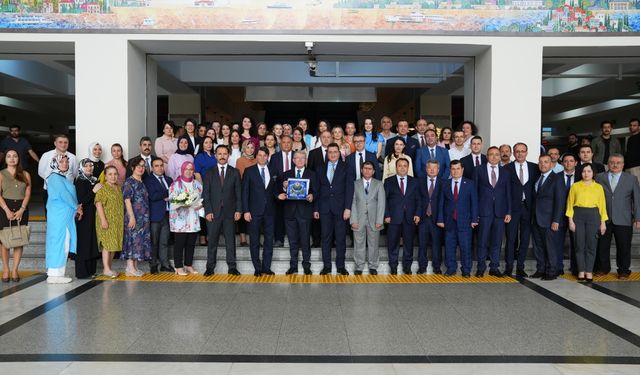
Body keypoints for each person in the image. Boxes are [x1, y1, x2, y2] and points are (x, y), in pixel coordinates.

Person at [595, 154, 640, 279]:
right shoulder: (599, 177)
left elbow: (637, 199)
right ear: (608, 164)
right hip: (604, 218)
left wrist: (638, 218)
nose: (615, 165)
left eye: (618, 162)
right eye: (612, 162)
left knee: (624, 246)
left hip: (624, 218)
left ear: (623, 164)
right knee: (602, 246)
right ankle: (603, 268)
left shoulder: (631, 179)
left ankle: (624, 270)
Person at [314, 143, 353, 275]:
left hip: (341, 209)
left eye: (335, 152)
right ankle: (327, 266)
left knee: (341, 238)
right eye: (330, 152)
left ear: (339, 153)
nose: (332, 154)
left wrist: (348, 208)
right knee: (325, 238)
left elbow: (349, 189)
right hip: (324, 209)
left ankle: (340, 266)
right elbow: (317, 190)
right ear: (327, 153)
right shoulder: (320, 168)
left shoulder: (346, 167)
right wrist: (316, 209)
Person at [203, 145, 242, 276]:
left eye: (225, 153)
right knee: (212, 241)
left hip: (230, 213)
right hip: (213, 213)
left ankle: (232, 267)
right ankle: (210, 267)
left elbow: (238, 193)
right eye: (219, 153)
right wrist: (207, 211)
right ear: (215, 155)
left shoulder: (235, 172)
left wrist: (239, 210)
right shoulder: (209, 172)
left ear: (228, 155)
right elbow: (206, 193)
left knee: (230, 241)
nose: (222, 156)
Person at [566, 163, 608, 283]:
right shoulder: (575, 186)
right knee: (579, 245)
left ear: (593, 173)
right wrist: (570, 221)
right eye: (584, 171)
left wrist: (603, 222)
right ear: (581, 173)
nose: (586, 174)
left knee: (591, 245)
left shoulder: (598, 187)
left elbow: (602, 206)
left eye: (589, 171)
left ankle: (589, 271)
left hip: (594, 216)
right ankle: (581, 270)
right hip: (578, 215)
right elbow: (569, 204)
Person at [437, 160, 478, 277]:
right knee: (449, 247)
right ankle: (451, 269)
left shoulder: (469, 184)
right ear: (450, 170)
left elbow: (474, 202)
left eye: (458, 169)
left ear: (462, 169)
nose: (455, 171)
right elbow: (441, 202)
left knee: (466, 247)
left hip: (465, 221)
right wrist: (440, 219)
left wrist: (474, 219)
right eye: (453, 169)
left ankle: (466, 270)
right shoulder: (445, 184)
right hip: (449, 221)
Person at [474, 147, 511, 277]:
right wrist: (475, 213)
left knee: (497, 241)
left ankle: (494, 267)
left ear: (500, 156)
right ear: (487, 156)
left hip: (500, 212)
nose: (494, 157)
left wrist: (509, 211)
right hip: (484, 211)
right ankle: (480, 267)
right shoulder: (479, 170)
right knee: (482, 241)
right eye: (491, 154)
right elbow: (475, 193)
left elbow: (508, 193)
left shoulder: (505, 172)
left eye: (497, 154)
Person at [504, 142, 539, 277]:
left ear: (527, 152)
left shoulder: (534, 168)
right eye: (517, 151)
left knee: (525, 239)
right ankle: (508, 267)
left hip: (528, 208)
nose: (520, 153)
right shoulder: (507, 168)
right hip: (512, 209)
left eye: (522, 151)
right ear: (513, 153)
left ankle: (520, 267)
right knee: (511, 239)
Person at [45, 154, 81, 284]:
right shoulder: (54, 177)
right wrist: (76, 207)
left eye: (67, 162)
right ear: (55, 163)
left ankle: (57, 273)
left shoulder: (61, 177)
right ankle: (55, 275)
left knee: (62, 243)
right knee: (60, 243)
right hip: (60, 217)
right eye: (62, 161)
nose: (65, 164)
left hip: (63, 217)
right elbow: (64, 195)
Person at [242, 147, 277, 276]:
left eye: (264, 155)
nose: (262, 157)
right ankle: (257, 267)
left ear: (268, 157)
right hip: (254, 211)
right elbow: (244, 192)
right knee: (255, 240)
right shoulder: (249, 171)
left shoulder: (273, 171)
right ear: (256, 157)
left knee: (269, 240)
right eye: (260, 155)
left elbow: (274, 190)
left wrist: (279, 194)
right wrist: (246, 211)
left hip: (270, 211)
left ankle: (266, 267)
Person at [531, 154, 565, 281]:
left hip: (550, 220)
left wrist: (556, 220)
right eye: (540, 162)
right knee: (538, 246)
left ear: (551, 164)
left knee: (550, 247)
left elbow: (560, 201)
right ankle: (541, 269)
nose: (543, 164)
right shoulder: (538, 178)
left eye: (546, 162)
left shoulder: (557, 179)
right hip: (536, 219)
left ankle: (552, 271)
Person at [384, 158, 421, 275]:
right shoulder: (389, 181)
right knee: (393, 243)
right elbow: (384, 200)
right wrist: (386, 215)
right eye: (400, 165)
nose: (402, 168)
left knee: (408, 243)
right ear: (396, 167)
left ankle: (407, 267)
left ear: (408, 167)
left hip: (410, 217)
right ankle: (393, 266)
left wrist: (417, 214)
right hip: (393, 217)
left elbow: (418, 200)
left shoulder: (415, 181)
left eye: (405, 165)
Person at [0, 150, 31, 283]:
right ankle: (6, 269)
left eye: (15, 156)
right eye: (9, 156)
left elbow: (28, 193)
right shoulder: (1, 174)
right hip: (4, 207)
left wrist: (22, 209)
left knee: (19, 240)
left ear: (18, 158)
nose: (12, 158)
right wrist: (6, 210)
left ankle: (15, 270)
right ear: (5, 159)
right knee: (4, 242)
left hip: (21, 208)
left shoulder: (25, 174)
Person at [351, 161, 385, 275]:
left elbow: (381, 203)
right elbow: (353, 203)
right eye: (365, 168)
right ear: (361, 170)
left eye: (370, 169)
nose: (367, 170)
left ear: (374, 171)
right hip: (358, 219)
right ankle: (359, 266)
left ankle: (373, 266)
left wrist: (380, 220)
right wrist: (353, 220)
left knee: (373, 243)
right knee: (358, 243)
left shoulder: (379, 184)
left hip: (374, 219)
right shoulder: (355, 184)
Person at [168, 161, 202, 276]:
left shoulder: (197, 184)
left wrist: (201, 204)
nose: (188, 171)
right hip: (180, 221)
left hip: (193, 219)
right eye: (186, 169)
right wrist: (185, 202)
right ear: (182, 170)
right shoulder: (175, 184)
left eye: (191, 169)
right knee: (179, 244)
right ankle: (178, 267)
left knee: (191, 244)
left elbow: (202, 199)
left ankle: (188, 265)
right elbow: (172, 200)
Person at [143, 158, 175, 274]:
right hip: (155, 216)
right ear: (152, 168)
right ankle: (153, 265)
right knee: (154, 242)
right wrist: (167, 193)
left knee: (164, 241)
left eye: (161, 165)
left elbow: (174, 193)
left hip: (167, 215)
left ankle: (165, 264)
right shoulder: (148, 180)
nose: (160, 168)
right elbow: (152, 195)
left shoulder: (169, 179)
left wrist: (166, 195)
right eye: (156, 166)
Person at [122, 157, 152, 277]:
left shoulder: (141, 182)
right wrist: (132, 217)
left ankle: (134, 267)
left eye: (143, 166)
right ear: (133, 167)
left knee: (138, 241)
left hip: (143, 218)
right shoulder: (129, 182)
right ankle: (129, 267)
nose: (141, 168)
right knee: (132, 240)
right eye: (138, 166)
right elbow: (127, 200)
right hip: (134, 217)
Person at [74, 159, 102, 279]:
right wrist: (93, 191)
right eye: (86, 166)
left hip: (93, 215)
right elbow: (82, 200)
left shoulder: (95, 180)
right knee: (84, 243)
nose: (89, 168)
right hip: (84, 216)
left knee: (92, 242)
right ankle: (82, 272)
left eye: (91, 165)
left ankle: (91, 270)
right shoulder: (80, 181)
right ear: (81, 168)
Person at [95, 165, 124, 278]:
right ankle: (106, 269)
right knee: (107, 245)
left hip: (117, 221)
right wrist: (103, 220)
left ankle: (109, 268)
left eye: (115, 174)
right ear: (105, 176)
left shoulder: (118, 187)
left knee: (113, 245)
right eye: (110, 174)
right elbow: (98, 204)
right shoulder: (102, 188)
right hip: (106, 219)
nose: (113, 176)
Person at [38, 134, 77, 212]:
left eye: (65, 142)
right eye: (60, 142)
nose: (63, 144)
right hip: (50, 191)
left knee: (68, 212)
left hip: (68, 190)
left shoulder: (73, 157)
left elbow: (75, 173)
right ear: (55, 143)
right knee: (50, 212)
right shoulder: (46, 155)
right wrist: (55, 183)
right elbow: (41, 172)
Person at [417, 160, 444, 274]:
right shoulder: (419, 182)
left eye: (435, 168)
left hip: (437, 218)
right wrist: (417, 214)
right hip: (423, 218)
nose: (432, 170)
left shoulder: (444, 183)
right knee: (422, 243)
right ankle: (422, 266)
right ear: (426, 169)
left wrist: (441, 218)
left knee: (436, 244)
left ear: (438, 170)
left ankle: (437, 267)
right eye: (430, 168)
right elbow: (417, 200)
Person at [269, 135, 293, 248]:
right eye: (284, 142)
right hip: (279, 192)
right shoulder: (274, 157)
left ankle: (294, 239)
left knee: (294, 216)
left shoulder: (297, 156)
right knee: (278, 216)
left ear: (292, 143)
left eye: (289, 142)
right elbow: (271, 176)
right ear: (280, 144)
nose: (286, 144)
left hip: (295, 192)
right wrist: (277, 193)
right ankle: (279, 239)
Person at [556, 153, 578, 275]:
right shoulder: (556, 177)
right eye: (566, 161)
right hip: (559, 214)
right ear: (562, 163)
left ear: (575, 163)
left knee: (576, 243)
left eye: (571, 161)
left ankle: (575, 268)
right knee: (558, 242)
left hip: (576, 215)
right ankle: (559, 267)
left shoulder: (581, 177)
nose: (568, 163)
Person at [235, 140, 257, 247]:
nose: (250, 150)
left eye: (252, 147)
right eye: (248, 147)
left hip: (255, 192)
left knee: (253, 215)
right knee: (243, 213)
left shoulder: (257, 160)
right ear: (244, 148)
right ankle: (243, 239)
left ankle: (254, 238)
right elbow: (239, 177)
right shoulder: (240, 160)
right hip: (244, 189)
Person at [624, 118, 640, 182]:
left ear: (639, 127)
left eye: (634, 125)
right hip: (628, 167)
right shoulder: (629, 139)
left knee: (637, 188)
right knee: (629, 188)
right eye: (630, 125)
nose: (631, 127)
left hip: (637, 167)